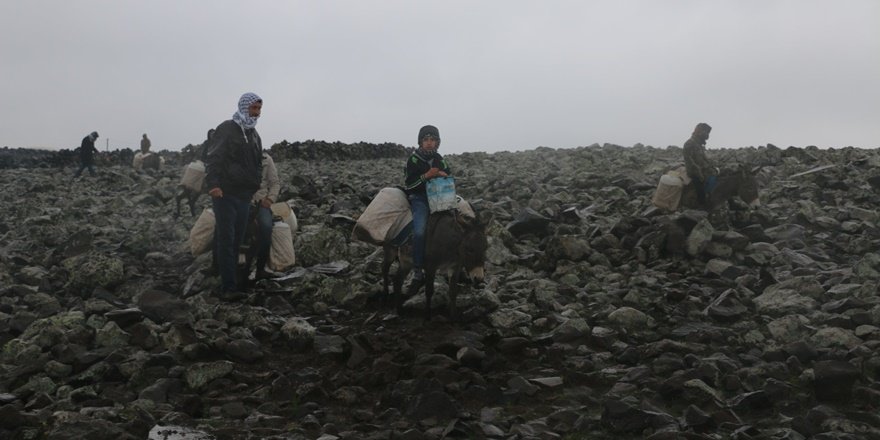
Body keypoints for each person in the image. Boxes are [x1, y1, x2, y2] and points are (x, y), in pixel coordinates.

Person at [205, 93, 264, 294]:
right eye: (254, 108)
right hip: (225, 194)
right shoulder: (227, 128)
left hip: (244, 195)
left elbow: (257, 163)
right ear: (244, 106)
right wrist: (213, 184)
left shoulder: (255, 135)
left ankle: (234, 282)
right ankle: (228, 287)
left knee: (238, 239)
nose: (257, 113)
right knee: (226, 239)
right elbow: (214, 156)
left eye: (259, 109)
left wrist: (255, 184)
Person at [403, 125, 450, 281]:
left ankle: (451, 264)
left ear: (437, 142)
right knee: (419, 231)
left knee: (454, 225)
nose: (429, 143)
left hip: (440, 197)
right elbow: (409, 185)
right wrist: (427, 176)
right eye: (426, 139)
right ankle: (417, 268)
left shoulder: (439, 158)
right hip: (420, 199)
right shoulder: (414, 160)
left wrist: (442, 175)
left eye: (433, 140)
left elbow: (448, 174)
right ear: (420, 142)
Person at [252, 152, 280, 279]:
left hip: (260, 202)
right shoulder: (236, 154)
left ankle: (260, 268)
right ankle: (217, 265)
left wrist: (270, 200)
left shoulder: (266, 159)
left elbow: (274, 183)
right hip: (241, 201)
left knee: (266, 227)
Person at [683, 122, 716, 206]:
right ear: (699, 131)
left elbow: (704, 159)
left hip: (702, 169)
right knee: (699, 184)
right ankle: (702, 205)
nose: (707, 135)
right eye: (705, 132)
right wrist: (700, 174)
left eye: (707, 133)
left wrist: (712, 167)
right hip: (694, 171)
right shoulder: (689, 144)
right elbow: (690, 162)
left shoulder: (699, 144)